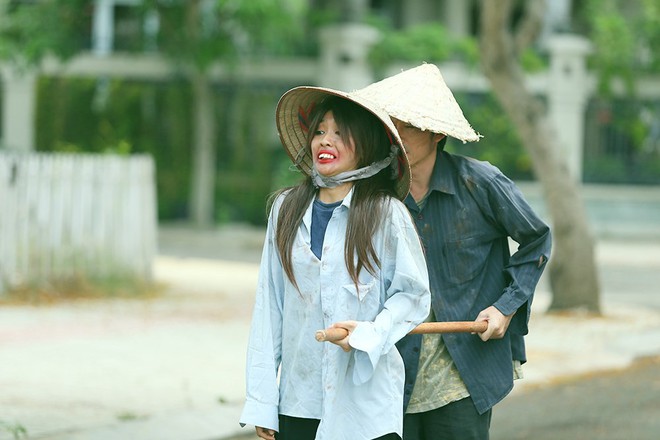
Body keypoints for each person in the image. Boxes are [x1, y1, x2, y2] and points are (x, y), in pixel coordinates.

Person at [353, 63, 552, 439]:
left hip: (462, 371)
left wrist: (505, 307)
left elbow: (537, 240)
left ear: (435, 134)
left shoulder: (480, 183)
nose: (398, 136)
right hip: (393, 373)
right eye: (392, 125)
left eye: (409, 125)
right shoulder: (375, 196)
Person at [239, 86, 431, 440]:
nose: (325, 141)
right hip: (299, 402)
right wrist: (263, 400)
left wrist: (369, 334)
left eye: (341, 133)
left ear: (368, 146)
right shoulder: (286, 209)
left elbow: (413, 297)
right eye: (320, 131)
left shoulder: (387, 214)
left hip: (365, 408)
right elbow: (270, 308)